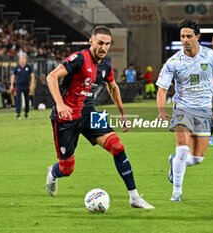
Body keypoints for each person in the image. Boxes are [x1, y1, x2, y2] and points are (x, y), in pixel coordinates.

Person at [45, 25, 154, 209]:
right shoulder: (79, 58)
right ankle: (53, 173)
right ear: (91, 41)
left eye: (107, 44)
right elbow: (51, 77)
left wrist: (122, 113)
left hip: (88, 113)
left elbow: (113, 87)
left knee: (117, 147)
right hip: (66, 118)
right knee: (67, 168)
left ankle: (134, 197)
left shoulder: (105, 65)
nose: (103, 47)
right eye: (100, 43)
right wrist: (60, 104)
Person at [156, 19, 213, 202]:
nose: (185, 39)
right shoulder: (173, 62)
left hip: (204, 111)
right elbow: (162, 89)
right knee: (182, 149)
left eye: (189, 36)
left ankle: (174, 163)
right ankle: (176, 193)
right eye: (182, 36)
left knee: (197, 159)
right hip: (182, 108)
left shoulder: (211, 57)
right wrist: (161, 110)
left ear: (197, 37)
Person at [10, 55, 35, 119]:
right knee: (18, 99)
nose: (23, 60)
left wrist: (32, 85)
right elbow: (13, 76)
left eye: (24, 59)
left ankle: (26, 112)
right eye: (21, 59)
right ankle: (18, 113)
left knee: (27, 99)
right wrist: (12, 85)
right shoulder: (17, 67)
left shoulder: (28, 67)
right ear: (19, 60)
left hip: (26, 85)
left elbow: (32, 76)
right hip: (19, 85)